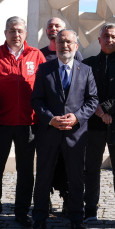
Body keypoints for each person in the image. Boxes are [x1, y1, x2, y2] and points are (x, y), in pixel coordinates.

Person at [28, 29, 98, 229]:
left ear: (76, 46)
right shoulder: (44, 69)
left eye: (69, 42)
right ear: (55, 45)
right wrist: (51, 119)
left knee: (76, 178)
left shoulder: (86, 70)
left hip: (75, 135)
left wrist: (77, 117)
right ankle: (39, 219)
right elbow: (36, 100)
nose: (64, 45)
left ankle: (77, 218)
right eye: (60, 42)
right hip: (49, 134)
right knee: (43, 178)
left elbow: (92, 100)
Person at [0, 16, 46, 228]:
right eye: (11, 31)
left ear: (25, 34)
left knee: (25, 171)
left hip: (28, 123)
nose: (16, 35)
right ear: (5, 33)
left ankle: (21, 211)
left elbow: (45, 88)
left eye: (19, 31)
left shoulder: (36, 55)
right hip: (0, 123)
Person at [82, 22, 115, 228]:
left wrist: (107, 109)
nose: (109, 40)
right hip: (94, 123)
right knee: (91, 168)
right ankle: (90, 210)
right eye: (106, 36)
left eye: (113, 37)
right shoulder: (88, 63)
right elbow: (85, 90)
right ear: (99, 40)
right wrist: (99, 110)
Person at [39, 16, 82, 215]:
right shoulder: (39, 56)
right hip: (47, 122)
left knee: (66, 165)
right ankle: (43, 201)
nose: (53, 28)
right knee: (47, 164)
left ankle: (67, 199)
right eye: (50, 26)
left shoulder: (77, 56)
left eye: (57, 26)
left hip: (70, 124)